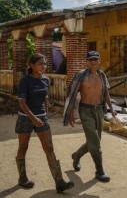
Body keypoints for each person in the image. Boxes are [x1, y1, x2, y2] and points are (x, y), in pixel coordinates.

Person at [15, 54, 74, 193]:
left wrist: (45, 113)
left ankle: (59, 182)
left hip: (41, 118)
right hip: (25, 118)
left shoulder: (46, 80)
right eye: (40, 63)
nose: (44, 66)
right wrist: (33, 118)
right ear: (31, 65)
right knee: (23, 147)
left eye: (45, 63)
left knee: (49, 148)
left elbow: (45, 97)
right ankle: (22, 178)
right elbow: (21, 102)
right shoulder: (25, 80)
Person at [63, 50, 116, 182]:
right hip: (86, 111)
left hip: (99, 110)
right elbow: (72, 93)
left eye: (95, 59)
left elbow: (106, 93)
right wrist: (70, 112)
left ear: (99, 61)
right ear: (87, 61)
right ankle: (99, 171)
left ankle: (76, 156)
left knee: (94, 141)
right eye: (90, 60)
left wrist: (112, 108)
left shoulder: (102, 75)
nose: (93, 62)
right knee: (95, 142)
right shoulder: (81, 75)